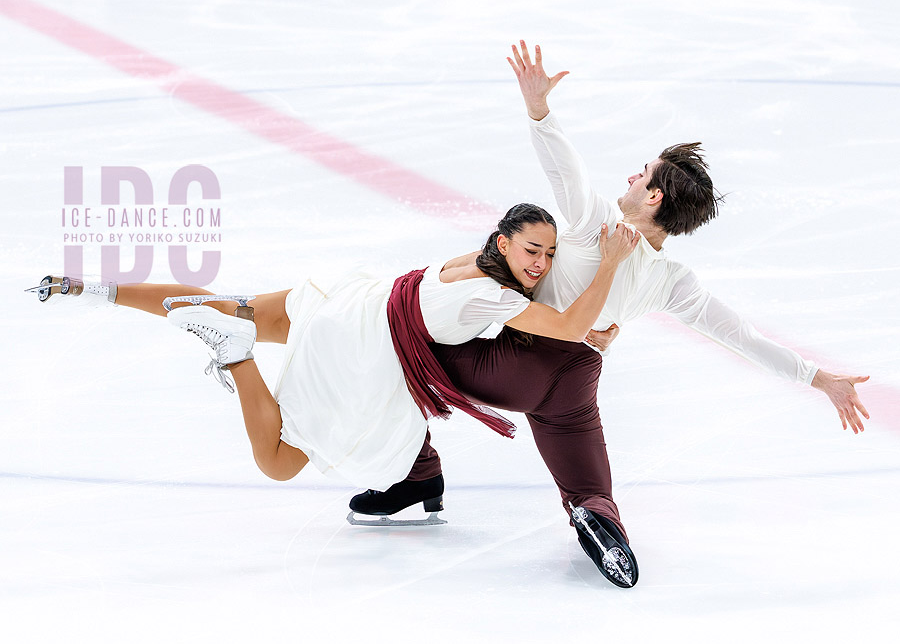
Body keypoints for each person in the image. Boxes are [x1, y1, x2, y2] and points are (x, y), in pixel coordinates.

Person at [349, 41, 870, 588]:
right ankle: (599, 520)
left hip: (516, 363)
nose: (630, 178)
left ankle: (419, 475)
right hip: (575, 379)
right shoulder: (673, 281)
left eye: (642, 175)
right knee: (590, 492)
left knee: (403, 346)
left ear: (654, 198)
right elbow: (738, 334)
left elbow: (562, 169)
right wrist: (817, 377)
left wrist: (538, 110)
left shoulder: (589, 220)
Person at [28, 202, 639, 493]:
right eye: (533, 250)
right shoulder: (498, 298)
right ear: (503, 243)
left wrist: (590, 323)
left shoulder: (467, 264)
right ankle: (238, 357)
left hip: (356, 300)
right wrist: (610, 264)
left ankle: (96, 288)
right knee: (279, 461)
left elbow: (566, 319)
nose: (543, 264)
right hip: (363, 348)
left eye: (550, 254)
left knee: (225, 304)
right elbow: (564, 326)